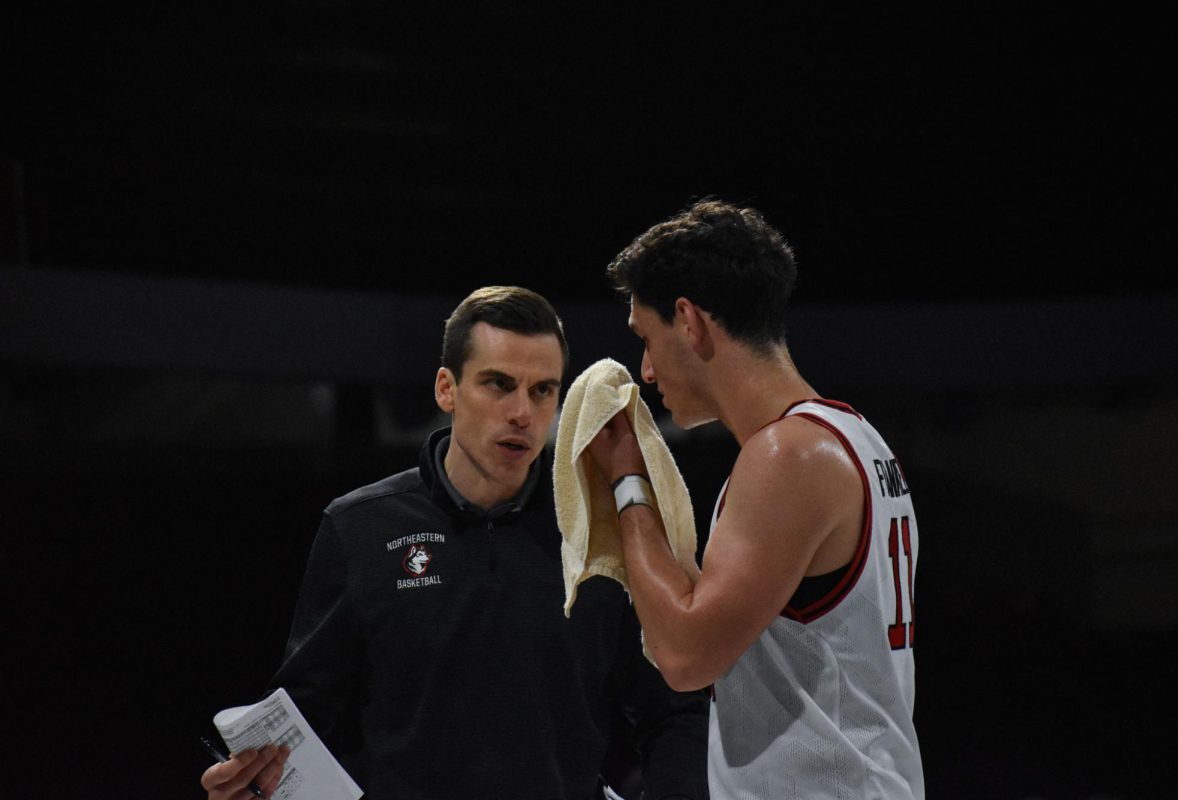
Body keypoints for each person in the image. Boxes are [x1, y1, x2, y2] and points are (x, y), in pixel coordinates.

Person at [201, 286, 710, 800]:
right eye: (499, 384)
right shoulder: (361, 525)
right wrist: (245, 780)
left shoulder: (599, 532)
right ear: (447, 389)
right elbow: (305, 717)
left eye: (542, 391)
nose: (522, 413)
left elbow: (673, 711)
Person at [586, 200, 925, 799]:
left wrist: (627, 480)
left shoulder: (786, 457)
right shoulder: (852, 437)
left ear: (688, 321)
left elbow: (685, 656)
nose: (646, 370)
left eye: (647, 337)